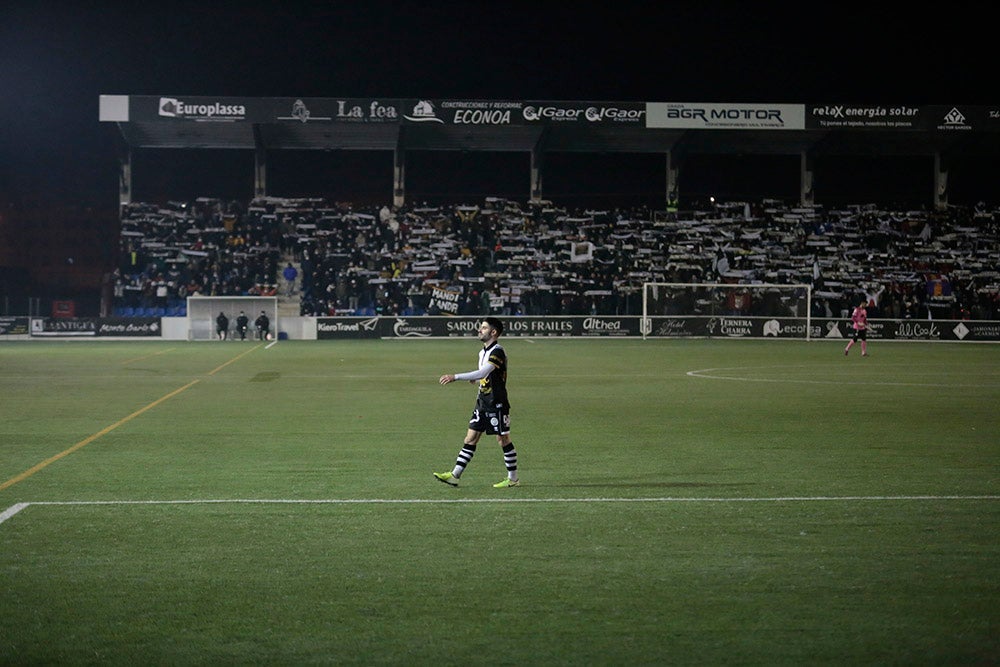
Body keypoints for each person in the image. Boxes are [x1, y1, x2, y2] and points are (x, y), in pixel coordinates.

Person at [434, 317, 520, 488]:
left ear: (493, 332)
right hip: (482, 401)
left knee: (503, 439)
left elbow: (483, 372)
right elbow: (484, 376)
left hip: (497, 402)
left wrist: (455, 377)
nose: (480, 330)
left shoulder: (498, 352)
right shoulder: (482, 352)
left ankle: (513, 478)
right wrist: (477, 381)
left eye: (484, 328)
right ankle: (455, 475)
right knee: (471, 438)